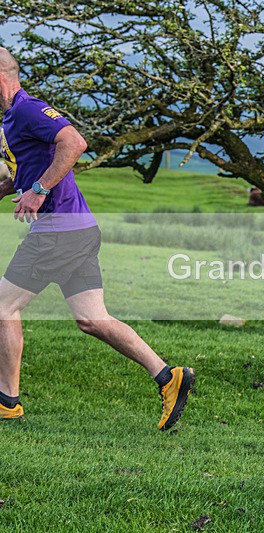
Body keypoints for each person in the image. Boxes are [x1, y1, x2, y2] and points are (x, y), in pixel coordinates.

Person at [0, 48, 194, 429]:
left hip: (58, 230)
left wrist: (39, 189)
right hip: (78, 230)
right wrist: (14, 187)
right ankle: (168, 377)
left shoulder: (27, 110)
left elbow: (74, 143)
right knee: (92, 319)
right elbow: (25, 169)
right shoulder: (10, 119)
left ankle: (7, 403)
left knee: (2, 306)